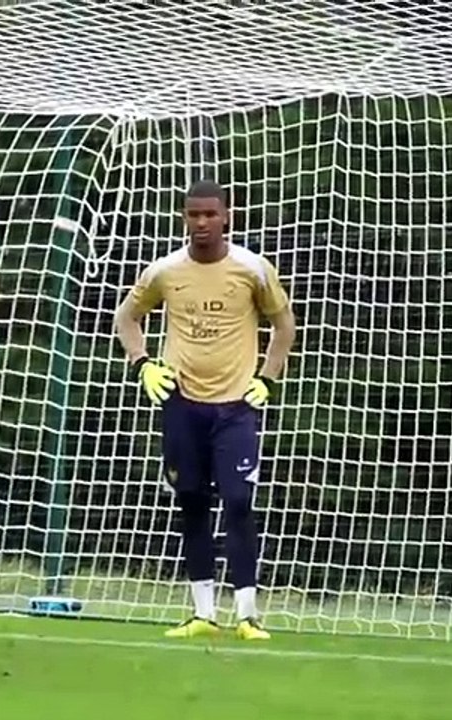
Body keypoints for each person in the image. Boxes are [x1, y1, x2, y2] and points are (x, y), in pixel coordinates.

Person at [114, 179, 295, 641]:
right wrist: (143, 365)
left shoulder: (253, 269)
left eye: (210, 214)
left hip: (236, 404)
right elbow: (126, 317)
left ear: (227, 216)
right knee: (191, 500)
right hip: (181, 402)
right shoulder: (165, 271)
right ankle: (202, 613)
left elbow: (283, 323)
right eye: (193, 214)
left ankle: (248, 615)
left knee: (237, 502)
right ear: (184, 218)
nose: (201, 223)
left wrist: (267, 378)